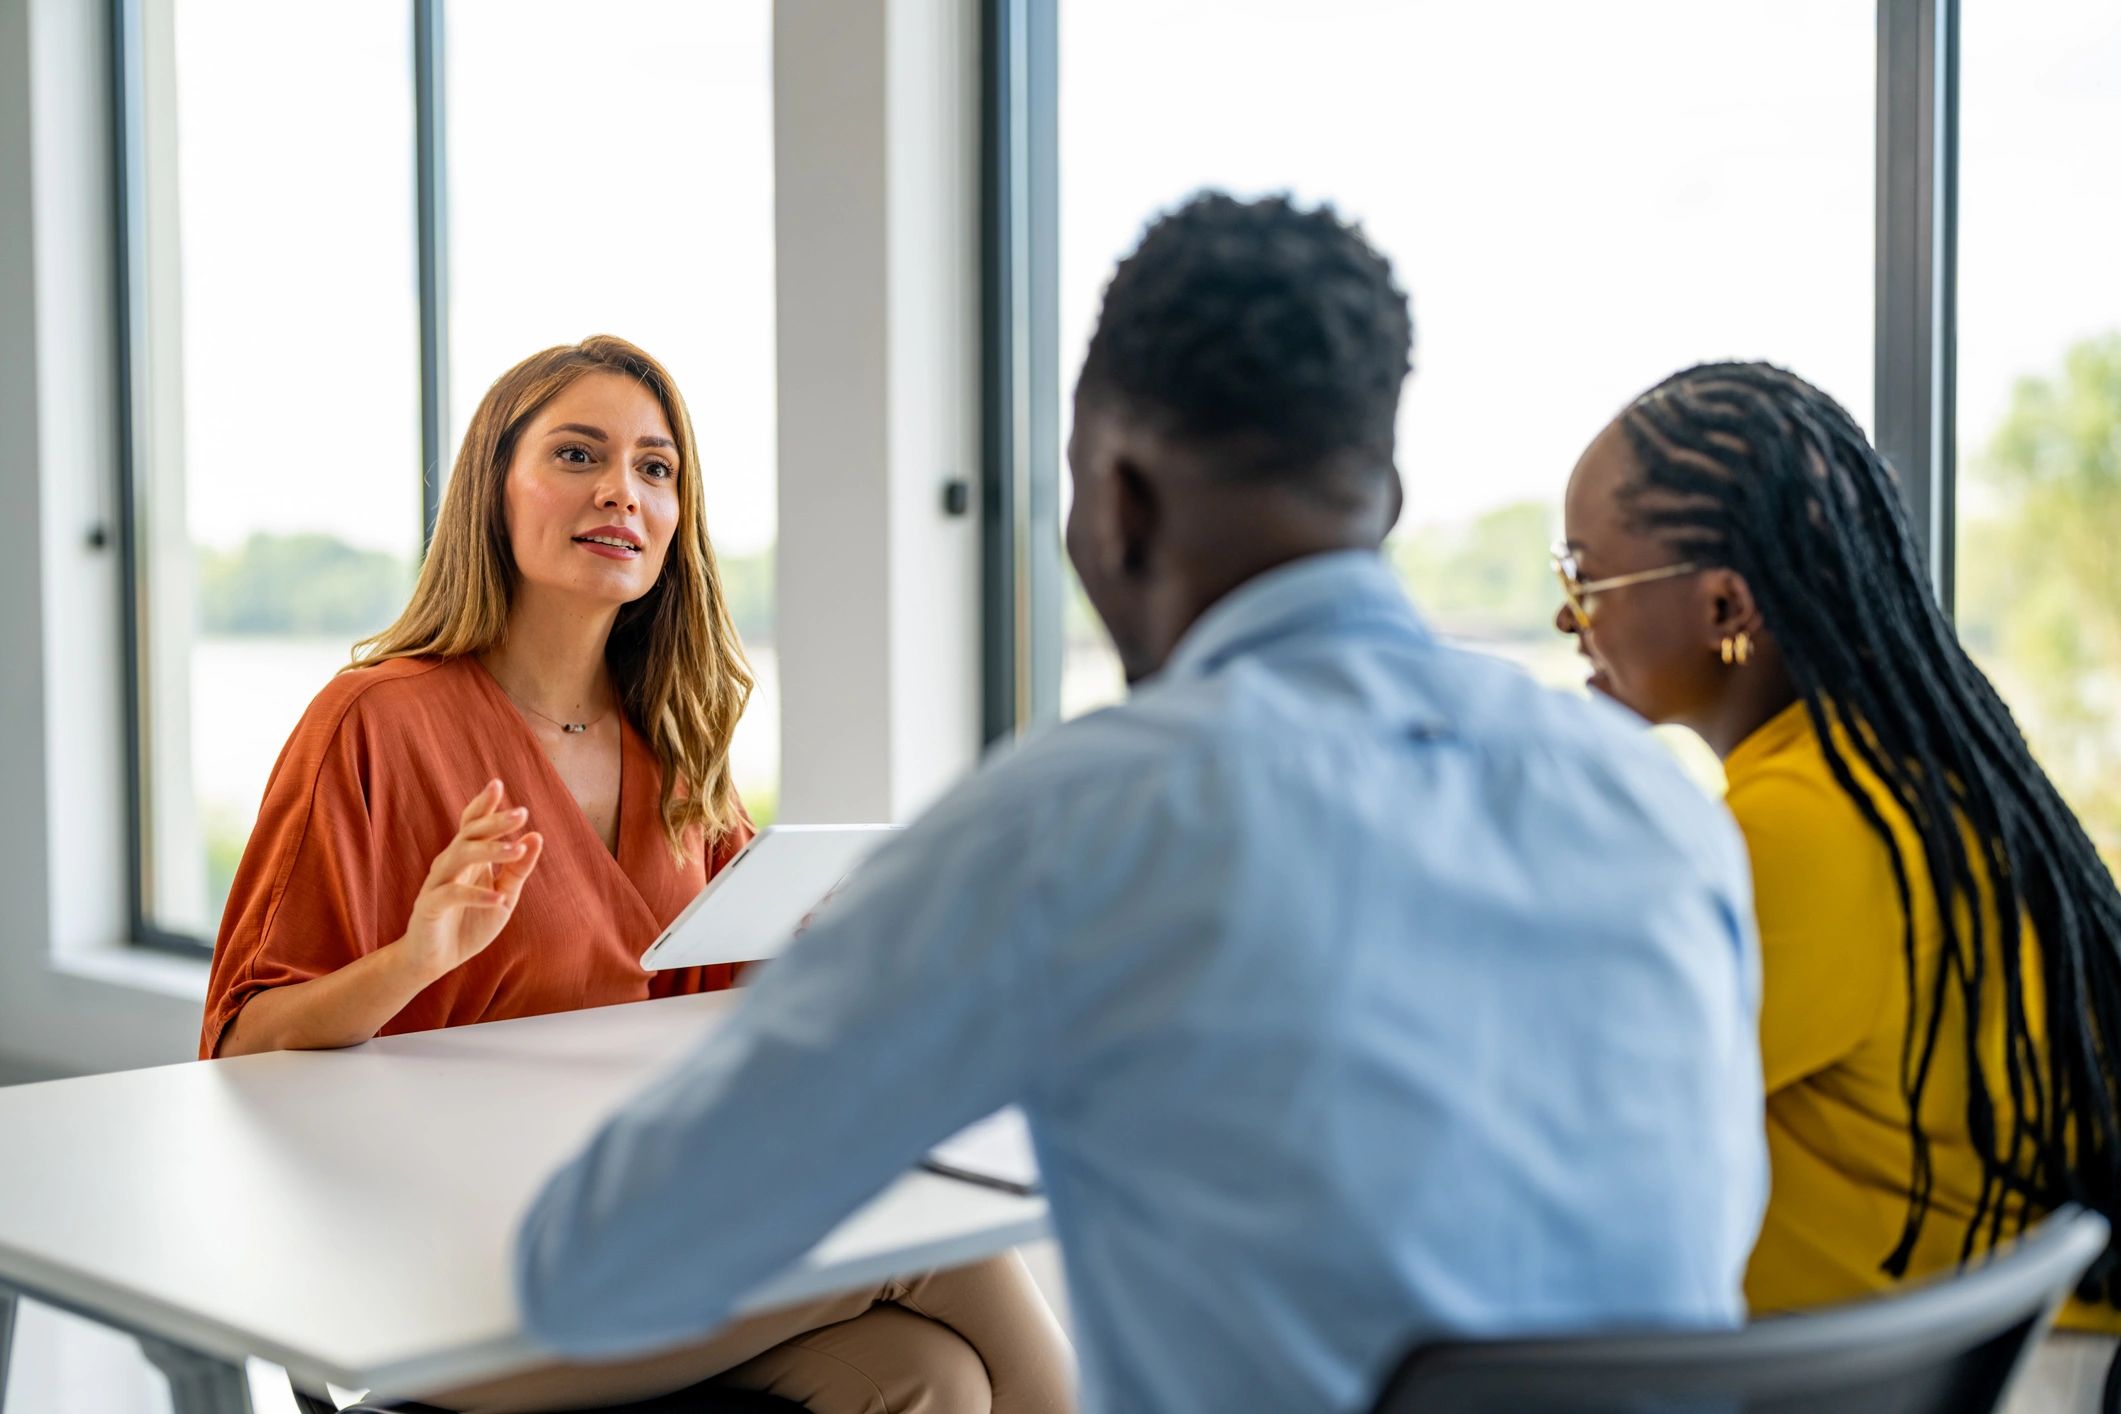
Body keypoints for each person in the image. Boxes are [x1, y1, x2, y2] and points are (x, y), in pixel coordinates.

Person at [512, 194, 1767, 1414]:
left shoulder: (1083, 824)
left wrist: (839, 978)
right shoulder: (1656, 808)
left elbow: (593, 1268)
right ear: (1381, 500)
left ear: (1114, 497)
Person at [198, 335, 1071, 1414]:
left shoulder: (672, 744)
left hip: (635, 1227)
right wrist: (416, 958)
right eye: (577, 454)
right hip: (452, 1287)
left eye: (656, 468)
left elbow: (720, 1026)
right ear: (494, 489)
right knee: (929, 1234)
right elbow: (240, 1048)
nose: (621, 489)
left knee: (928, 1376)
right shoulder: (376, 721)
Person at [1552, 360, 2121, 1410]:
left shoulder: (1798, 830)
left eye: (1583, 576)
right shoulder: (1906, 778)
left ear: (1725, 603)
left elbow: (1566, 1118)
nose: (1566, 619)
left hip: (1948, 1385)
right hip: (2012, 1359)